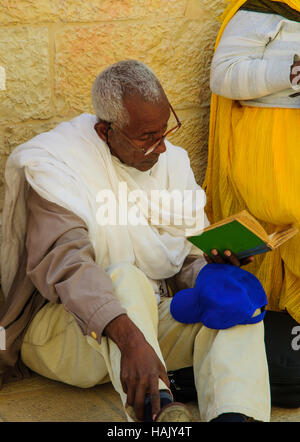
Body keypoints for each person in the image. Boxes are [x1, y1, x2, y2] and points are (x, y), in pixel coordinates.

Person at [0, 60, 270, 422]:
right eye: (147, 138)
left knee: (233, 304)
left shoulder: (172, 163)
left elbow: (179, 259)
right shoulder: (58, 167)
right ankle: (155, 409)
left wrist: (210, 271)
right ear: (104, 131)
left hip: (147, 327)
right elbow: (70, 268)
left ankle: (235, 416)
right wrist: (131, 341)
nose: (160, 148)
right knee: (125, 276)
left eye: (164, 131)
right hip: (65, 334)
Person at [204, 0, 300, 406]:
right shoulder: (261, 8)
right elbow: (223, 76)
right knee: (285, 224)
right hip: (271, 152)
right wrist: (289, 72)